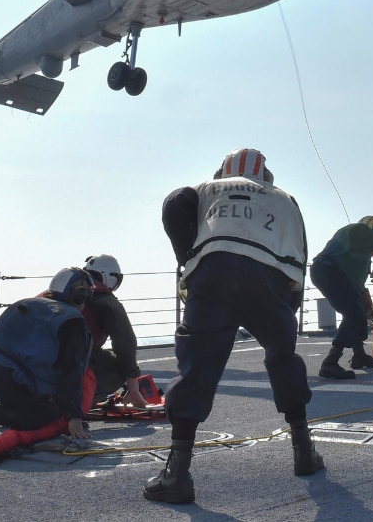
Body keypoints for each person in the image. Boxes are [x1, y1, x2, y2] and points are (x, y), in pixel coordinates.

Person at [146, 148, 323, 505]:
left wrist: (188, 262)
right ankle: (303, 450)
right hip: (271, 278)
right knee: (283, 359)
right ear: (265, 175)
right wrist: (288, 310)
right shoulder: (286, 198)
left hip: (215, 272)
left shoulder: (206, 188)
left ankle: (177, 473)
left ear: (223, 170)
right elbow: (300, 250)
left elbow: (174, 203)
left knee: (198, 366)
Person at [0, 267, 95, 445]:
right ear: (82, 295)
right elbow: (71, 369)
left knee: (32, 406)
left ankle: (2, 413)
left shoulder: (28, 303)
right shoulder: (71, 320)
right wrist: (74, 416)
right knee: (48, 418)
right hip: (15, 379)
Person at [309, 215, 373, 380]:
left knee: (357, 312)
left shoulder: (361, 259)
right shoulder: (358, 229)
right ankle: (330, 362)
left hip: (329, 273)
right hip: (327, 270)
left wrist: (370, 309)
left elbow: (359, 289)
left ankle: (359, 355)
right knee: (353, 312)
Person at [80, 254, 150, 408]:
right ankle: (73, 407)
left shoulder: (62, 291)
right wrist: (133, 388)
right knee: (116, 364)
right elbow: (125, 344)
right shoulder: (105, 301)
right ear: (110, 277)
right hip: (70, 361)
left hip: (33, 360)